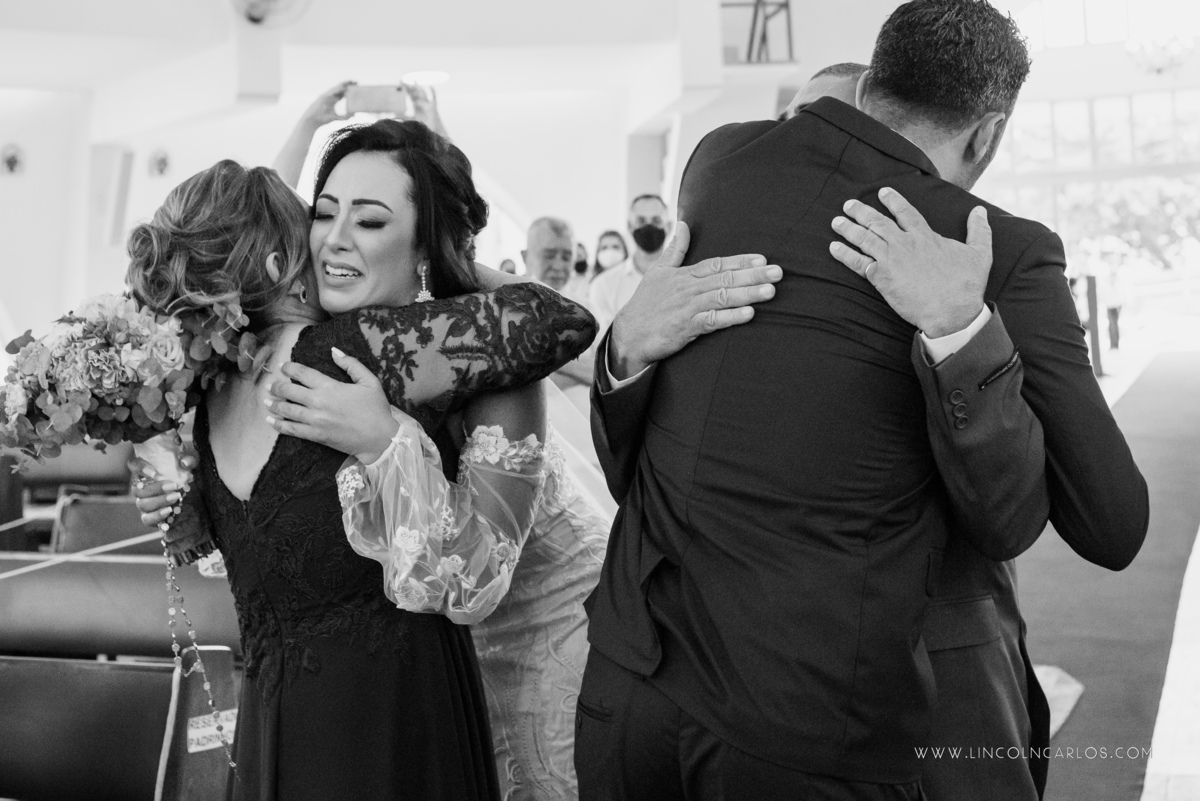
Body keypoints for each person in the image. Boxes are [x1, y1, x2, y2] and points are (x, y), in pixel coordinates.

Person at [577, 2, 1148, 800]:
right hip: (808, 724)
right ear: (987, 135)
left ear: (868, 86)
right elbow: (1111, 523)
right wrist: (965, 331)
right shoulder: (994, 247)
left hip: (628, 690)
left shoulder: (718, 163)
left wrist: (622, 353)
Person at [128, 143, 597, 799]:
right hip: (395, 716)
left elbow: (211, 540)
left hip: (275, 731)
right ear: (280, 263)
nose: (331, 243)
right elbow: (558, 321)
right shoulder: (357, 350)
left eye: (364, 221)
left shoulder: (205, 402)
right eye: (317, 222)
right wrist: (447, 259)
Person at [522, 217, 594, 416]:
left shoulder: (587, 309)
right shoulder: (508, 309)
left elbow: (603, 373)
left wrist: (548, 364)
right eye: (549, 255)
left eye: (566, 257)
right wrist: (579, 371)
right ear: (526, 257)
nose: (558, 265)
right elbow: (519, 385)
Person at [588, 195, 671, 330]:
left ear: (669, 226)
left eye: (656, 221)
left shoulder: (684, 276)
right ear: (629, 226)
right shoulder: (603, 285)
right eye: (641, 221)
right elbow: (605, 337)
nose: (648, 226)